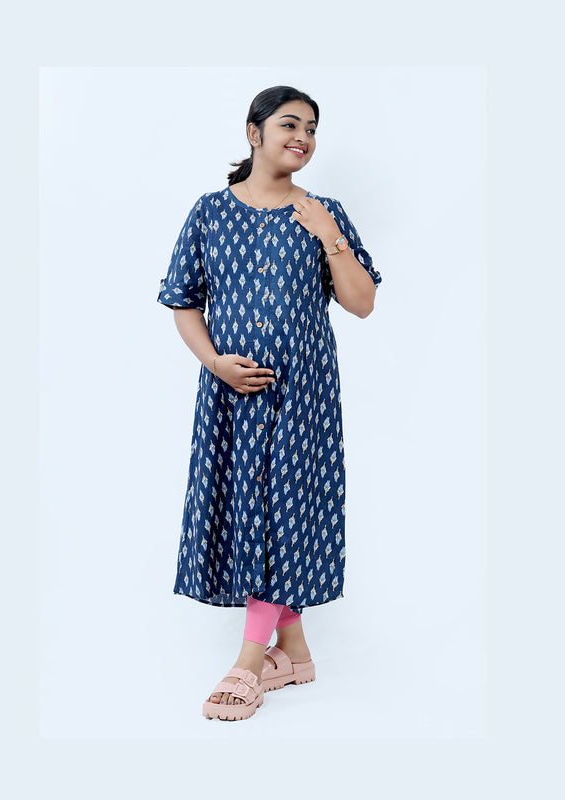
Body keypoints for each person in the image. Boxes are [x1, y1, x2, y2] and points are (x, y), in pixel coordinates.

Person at [157, 85, 382, 721]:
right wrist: (214, 362)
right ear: (253, 132)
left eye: (311, 129)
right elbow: (183, 300)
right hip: (230, 396)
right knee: (248, 509)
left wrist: (330, 236)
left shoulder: (323, 212)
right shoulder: (209, 212)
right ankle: (296, 653)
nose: (302, 138)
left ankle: (249, 662)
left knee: (285, 508)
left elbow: (362, 303)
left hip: (302, 396)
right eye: (290, 124)